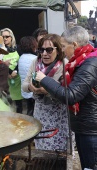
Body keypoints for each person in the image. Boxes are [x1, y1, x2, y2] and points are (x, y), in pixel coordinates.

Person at [35, 26, 97, 170]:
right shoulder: (82, 60)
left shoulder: (89, 64)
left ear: (74, 44)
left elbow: (71, 95)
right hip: (85, 125)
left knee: (91, 166)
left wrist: (44, 79)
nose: (61, 50)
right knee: (87, 166)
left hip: (91, 129)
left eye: (63, 46)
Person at [22, 34, 69, 151]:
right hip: (41, 112)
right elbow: (24, 85)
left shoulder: (64, 65)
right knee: (42, 144)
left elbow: (67, 93)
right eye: (41, 50)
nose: (44, 54)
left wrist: (47, 91)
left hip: (58, 115)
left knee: (58, 149)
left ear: (58, 50)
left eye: (49, 50)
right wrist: (31, 87)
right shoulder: (35, 62)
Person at [0, 28, 23, 113]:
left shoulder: (18, 48)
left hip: (17, 79)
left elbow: (21, 61)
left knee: (18, 103)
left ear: (11, 37)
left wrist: (15, 71)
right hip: (6, 79)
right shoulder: (0, 50)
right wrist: (9, 72)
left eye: (7, 36)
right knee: (7, 102)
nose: (5, 38)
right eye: (3, 37)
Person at [18, 36, 37, 116]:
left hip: (25, 89)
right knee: (34, 111)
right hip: (32, 90)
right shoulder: (34, 58)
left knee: (29, 109)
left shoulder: (21, 58)